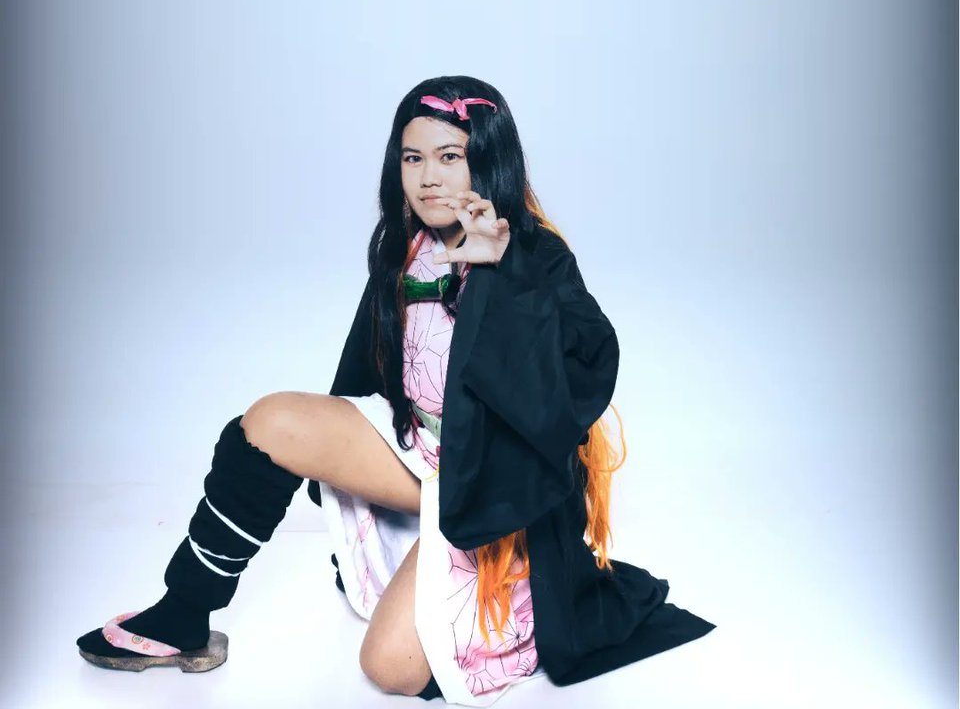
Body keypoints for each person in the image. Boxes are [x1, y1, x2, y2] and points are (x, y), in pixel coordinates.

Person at [76, 75, 716, 703]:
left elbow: (582, 375)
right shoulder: (405, 246)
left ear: (489, 160)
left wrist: (503, 274)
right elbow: (368, 371)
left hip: (496, 479)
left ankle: (520, 601)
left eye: (450, 157)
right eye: (413, 158)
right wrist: (338, 476)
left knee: (391, 667)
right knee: (270, 421)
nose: (429, 177)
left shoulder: (535, 255)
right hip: (419, 449)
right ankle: (183, 612)